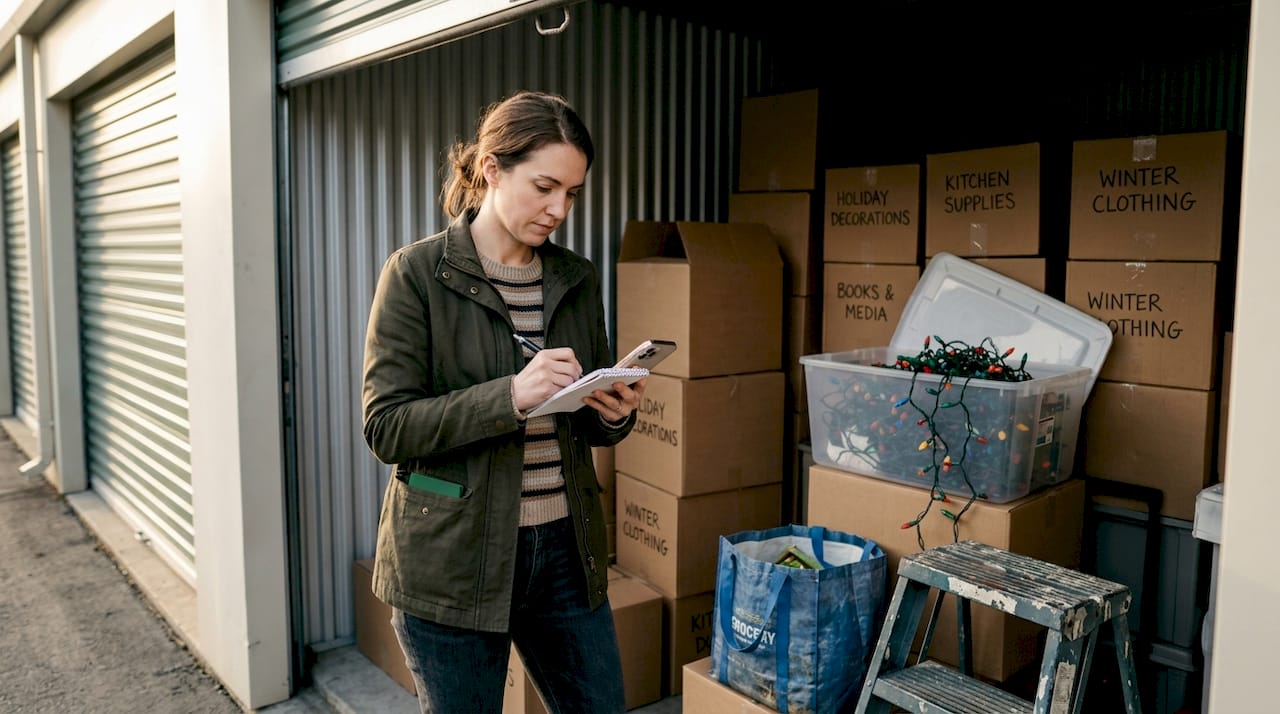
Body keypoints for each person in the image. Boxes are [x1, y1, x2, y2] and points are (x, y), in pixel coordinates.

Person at [360, 90, 643, 714]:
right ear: (492, 168)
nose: (558, 209)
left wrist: (613, 414)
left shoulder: (576, 278)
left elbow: (584, 421)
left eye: (571, 193)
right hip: (452, 561)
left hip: (565, 553)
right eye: (545, 186)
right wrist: (512, 396)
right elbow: (387, 427)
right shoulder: (416, 274)